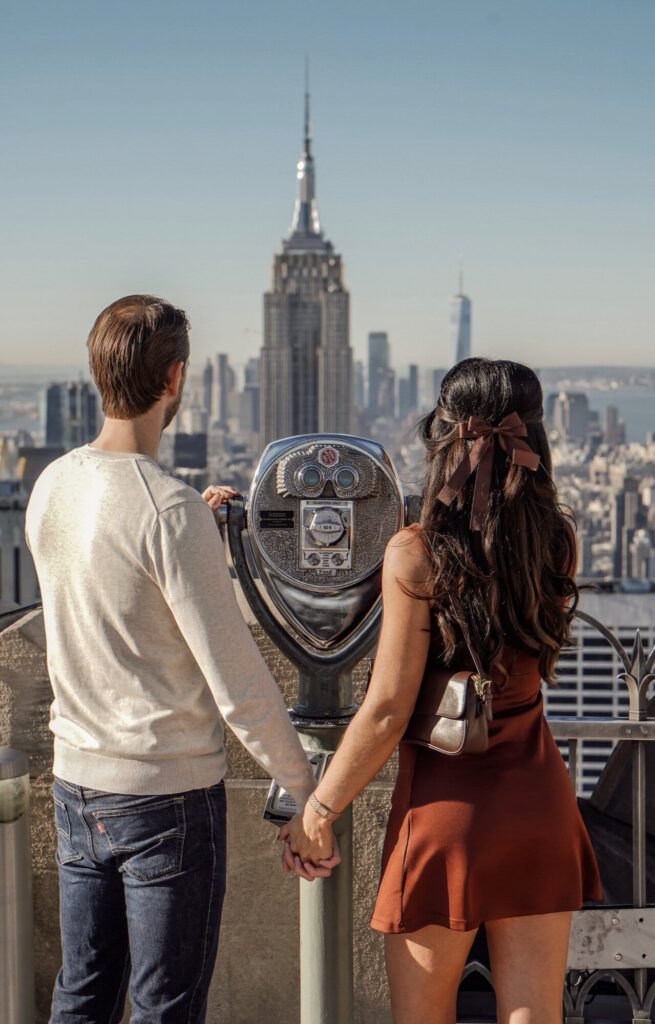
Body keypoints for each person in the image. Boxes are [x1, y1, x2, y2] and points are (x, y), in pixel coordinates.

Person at [26, 294, 339, 1024]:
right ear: (175, 379)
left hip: (76, 786)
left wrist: (185, 524)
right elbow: (238, 685)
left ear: (100, 374)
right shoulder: (170, 512)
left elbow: (96, 593)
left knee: (81, 993)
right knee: (163, 1007)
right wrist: (302, 791)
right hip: (166, 798)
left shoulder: (54, 485)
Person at [280, 357, 603, 1024]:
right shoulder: (557, 541)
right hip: (538, 803)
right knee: (533, 1015)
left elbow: (388, 708)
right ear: (533, 439)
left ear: (443, 435)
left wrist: (318, 810)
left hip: (443, 813)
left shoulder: (417, 553)